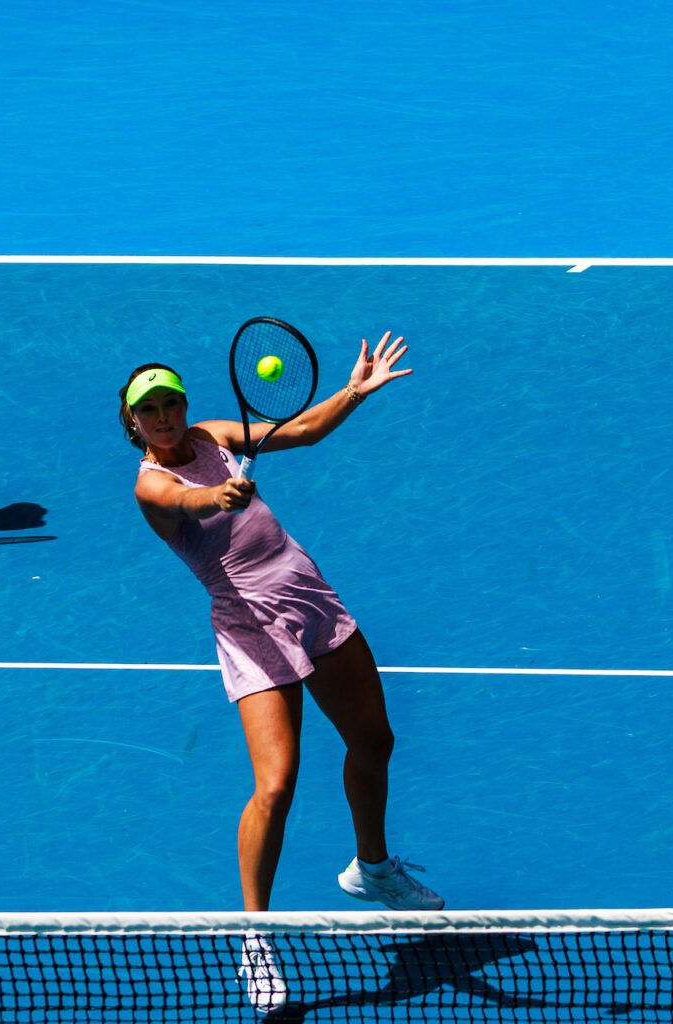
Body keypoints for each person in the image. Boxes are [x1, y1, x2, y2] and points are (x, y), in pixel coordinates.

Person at [118, 332, 438, 1011]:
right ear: (133, 425)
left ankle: (373, 870)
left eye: (171, 401)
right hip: (250, 624)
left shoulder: (210, 435)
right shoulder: (153, 484)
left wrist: (354, 389)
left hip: (308, 597)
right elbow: (187, 505)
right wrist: (220, 498)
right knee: (276, 783)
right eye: (151, 410)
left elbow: (303, 430)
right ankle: (255, 940)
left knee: (374, 740)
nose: (166, 416)